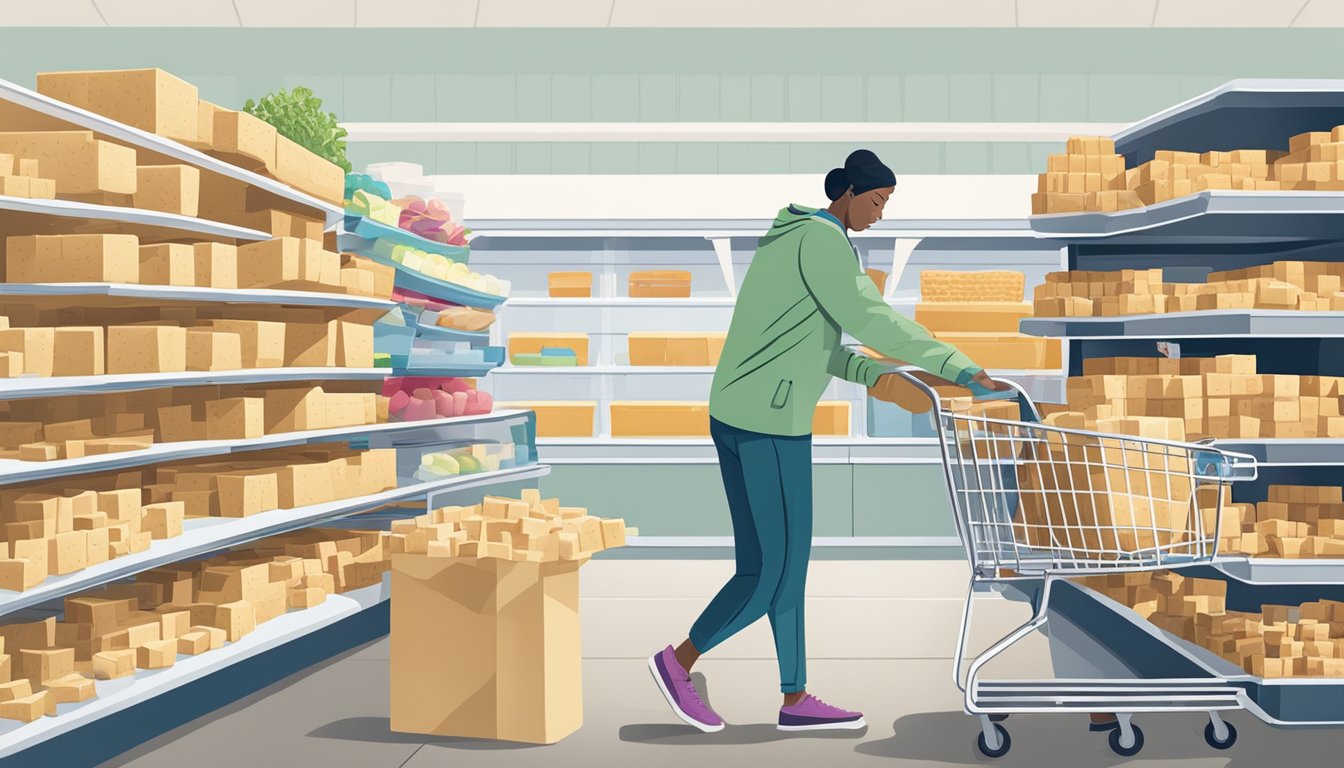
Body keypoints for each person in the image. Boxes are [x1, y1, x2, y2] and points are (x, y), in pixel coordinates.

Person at [647, 149, 1007, 733]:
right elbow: (871, 319)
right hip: (771, 422)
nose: (880, 215)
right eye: (877, 201)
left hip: (741, 412)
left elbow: (815, 342)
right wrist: (959, 367)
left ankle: (795, 698)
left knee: (775, 568)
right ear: (849, 194)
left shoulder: (789, 238)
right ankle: (678, 661)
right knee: (774, 574)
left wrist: (878, 378)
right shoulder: (823, 241)